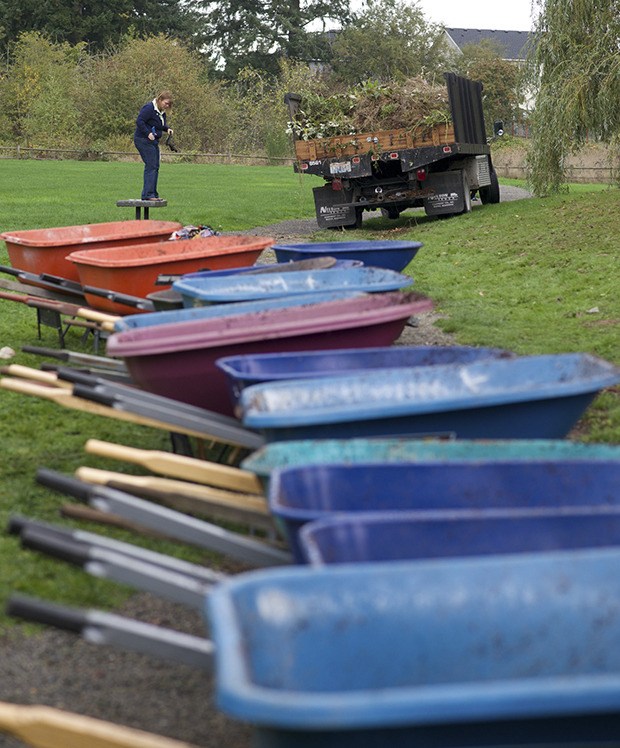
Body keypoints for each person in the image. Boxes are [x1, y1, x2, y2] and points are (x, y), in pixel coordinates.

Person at [133, 91, 174, 201]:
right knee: (151, 165)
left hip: (153, 141)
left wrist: (167, 129)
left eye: (169, 104)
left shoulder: (161, 112)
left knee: (155, 166)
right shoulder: (149, 108)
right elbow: (140, 121)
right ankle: (148, 195)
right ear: (160, 100)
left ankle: (153, 194)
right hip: (143, 139)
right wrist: (147, 133)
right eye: (166, 103)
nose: (167, 106)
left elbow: (159, 125)